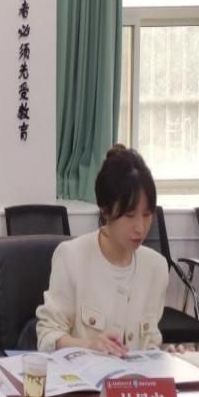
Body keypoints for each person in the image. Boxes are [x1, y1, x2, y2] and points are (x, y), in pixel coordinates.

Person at [36, 145, 168, 354]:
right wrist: (89, 345)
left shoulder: (156, 267)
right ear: (105, 210)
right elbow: (48, 337)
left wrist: (168, 356)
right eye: (129, 215)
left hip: (135, 376)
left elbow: (151, 345)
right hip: (83, 373)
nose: (140, 228)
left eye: (147, 214)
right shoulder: (71, 257)